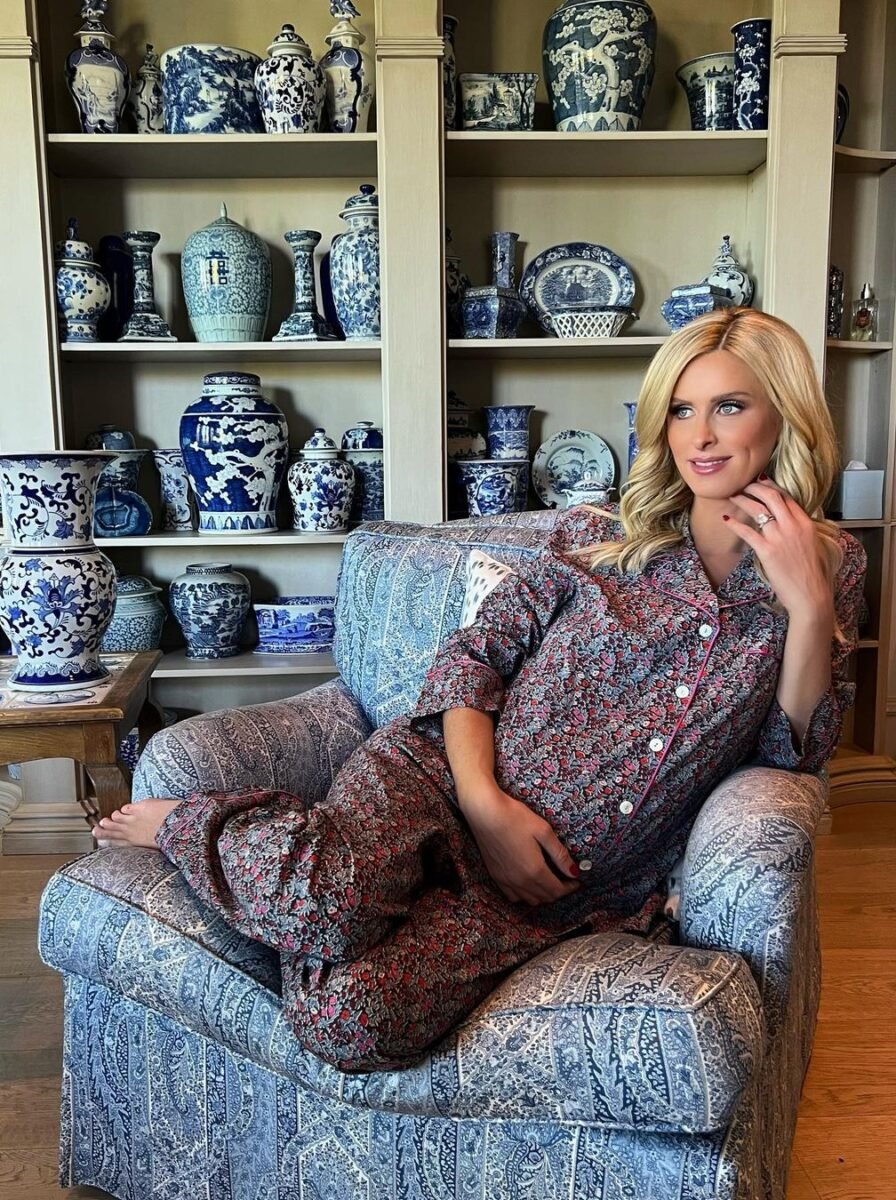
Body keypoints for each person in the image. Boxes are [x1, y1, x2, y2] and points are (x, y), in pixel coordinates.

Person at [97, 307, 866, 1073]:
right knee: (327, 899)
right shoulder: (592, 538)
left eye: (729, 406)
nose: (699, 436)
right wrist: (486, 806)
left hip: (557, 895)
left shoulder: (833, 569)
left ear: (783, 414)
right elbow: (471, 660)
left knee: (349, 1022)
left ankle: (323, 885)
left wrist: (809, 607)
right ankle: (201, 826)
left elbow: (789, 754)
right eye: (681, 410)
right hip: (438, 784)